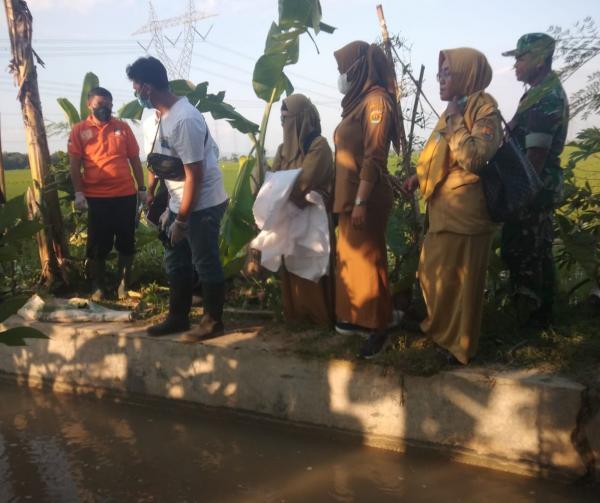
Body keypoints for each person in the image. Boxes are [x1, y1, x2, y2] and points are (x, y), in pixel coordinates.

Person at [402, 48, 502, 364]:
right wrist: (417, 178)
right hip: (442, 211)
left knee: (462, 286)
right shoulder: (453, 109)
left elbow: (475, 158)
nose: (441, 80)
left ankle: (461, 348)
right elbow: (436, 155)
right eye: (440, 74)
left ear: (465, 74)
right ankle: (439, 333)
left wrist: (456, 120)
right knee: (436, 276)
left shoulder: (483, 109)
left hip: (467, 213)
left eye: (447, 73)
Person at [126, 56, 228, 339]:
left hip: (202, 202)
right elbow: (156, 161)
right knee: (175, 259)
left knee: (204, 260)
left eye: (136, 87)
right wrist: (151, 192)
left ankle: (212, 322)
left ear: (147, 88)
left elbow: (195, 174)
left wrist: (182, 221)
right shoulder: (154, 119)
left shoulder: (185, 120)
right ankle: (178, 317)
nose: (136, 93)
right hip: (176, 200)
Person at [332, 40, 400, 359]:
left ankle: (378, 325)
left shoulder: (376, 102)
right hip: (352, 194)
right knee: (354, 258)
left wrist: (360, 201)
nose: (341, 76)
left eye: (343, 69)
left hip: (365, 196)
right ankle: (361, 318)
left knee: (369, 259)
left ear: (359, 68)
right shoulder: (359, 102)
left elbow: (374, 156)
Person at [500, 33, 569, 328]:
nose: (516, 64)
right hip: (530, 189)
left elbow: (535, 158)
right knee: (531, 253)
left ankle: (533, 326)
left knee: (526, 253)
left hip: (531, 191)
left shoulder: (547, 98)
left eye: (522, 57)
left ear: (540, 60)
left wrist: (516, 197)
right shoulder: (537, 92)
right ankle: (537, 322)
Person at [68, 86, 146, 301]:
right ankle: (98, 287)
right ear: (89, 105)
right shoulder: (79, 130)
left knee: (126, 242)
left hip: (125, 195)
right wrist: (79, 193)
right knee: (97, 245)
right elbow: (74, 165)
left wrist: (142, 189)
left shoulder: (122, 127)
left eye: (109, 105)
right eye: (100, 104)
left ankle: (122, 285)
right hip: (96, 198)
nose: (105, 108)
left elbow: (135, 160)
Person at [271, 94, 334, 327]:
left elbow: (304, 181)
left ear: (301, 119)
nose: (283, 122)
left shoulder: (318, 146)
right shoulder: (281, 149)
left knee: (313, 265)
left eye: (287, 118)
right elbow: (274, 180)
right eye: (281, 118)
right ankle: (296, 317)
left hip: (313, 220)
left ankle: (320, 320)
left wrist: (281, 186)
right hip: (291, 220)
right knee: (292, 266)